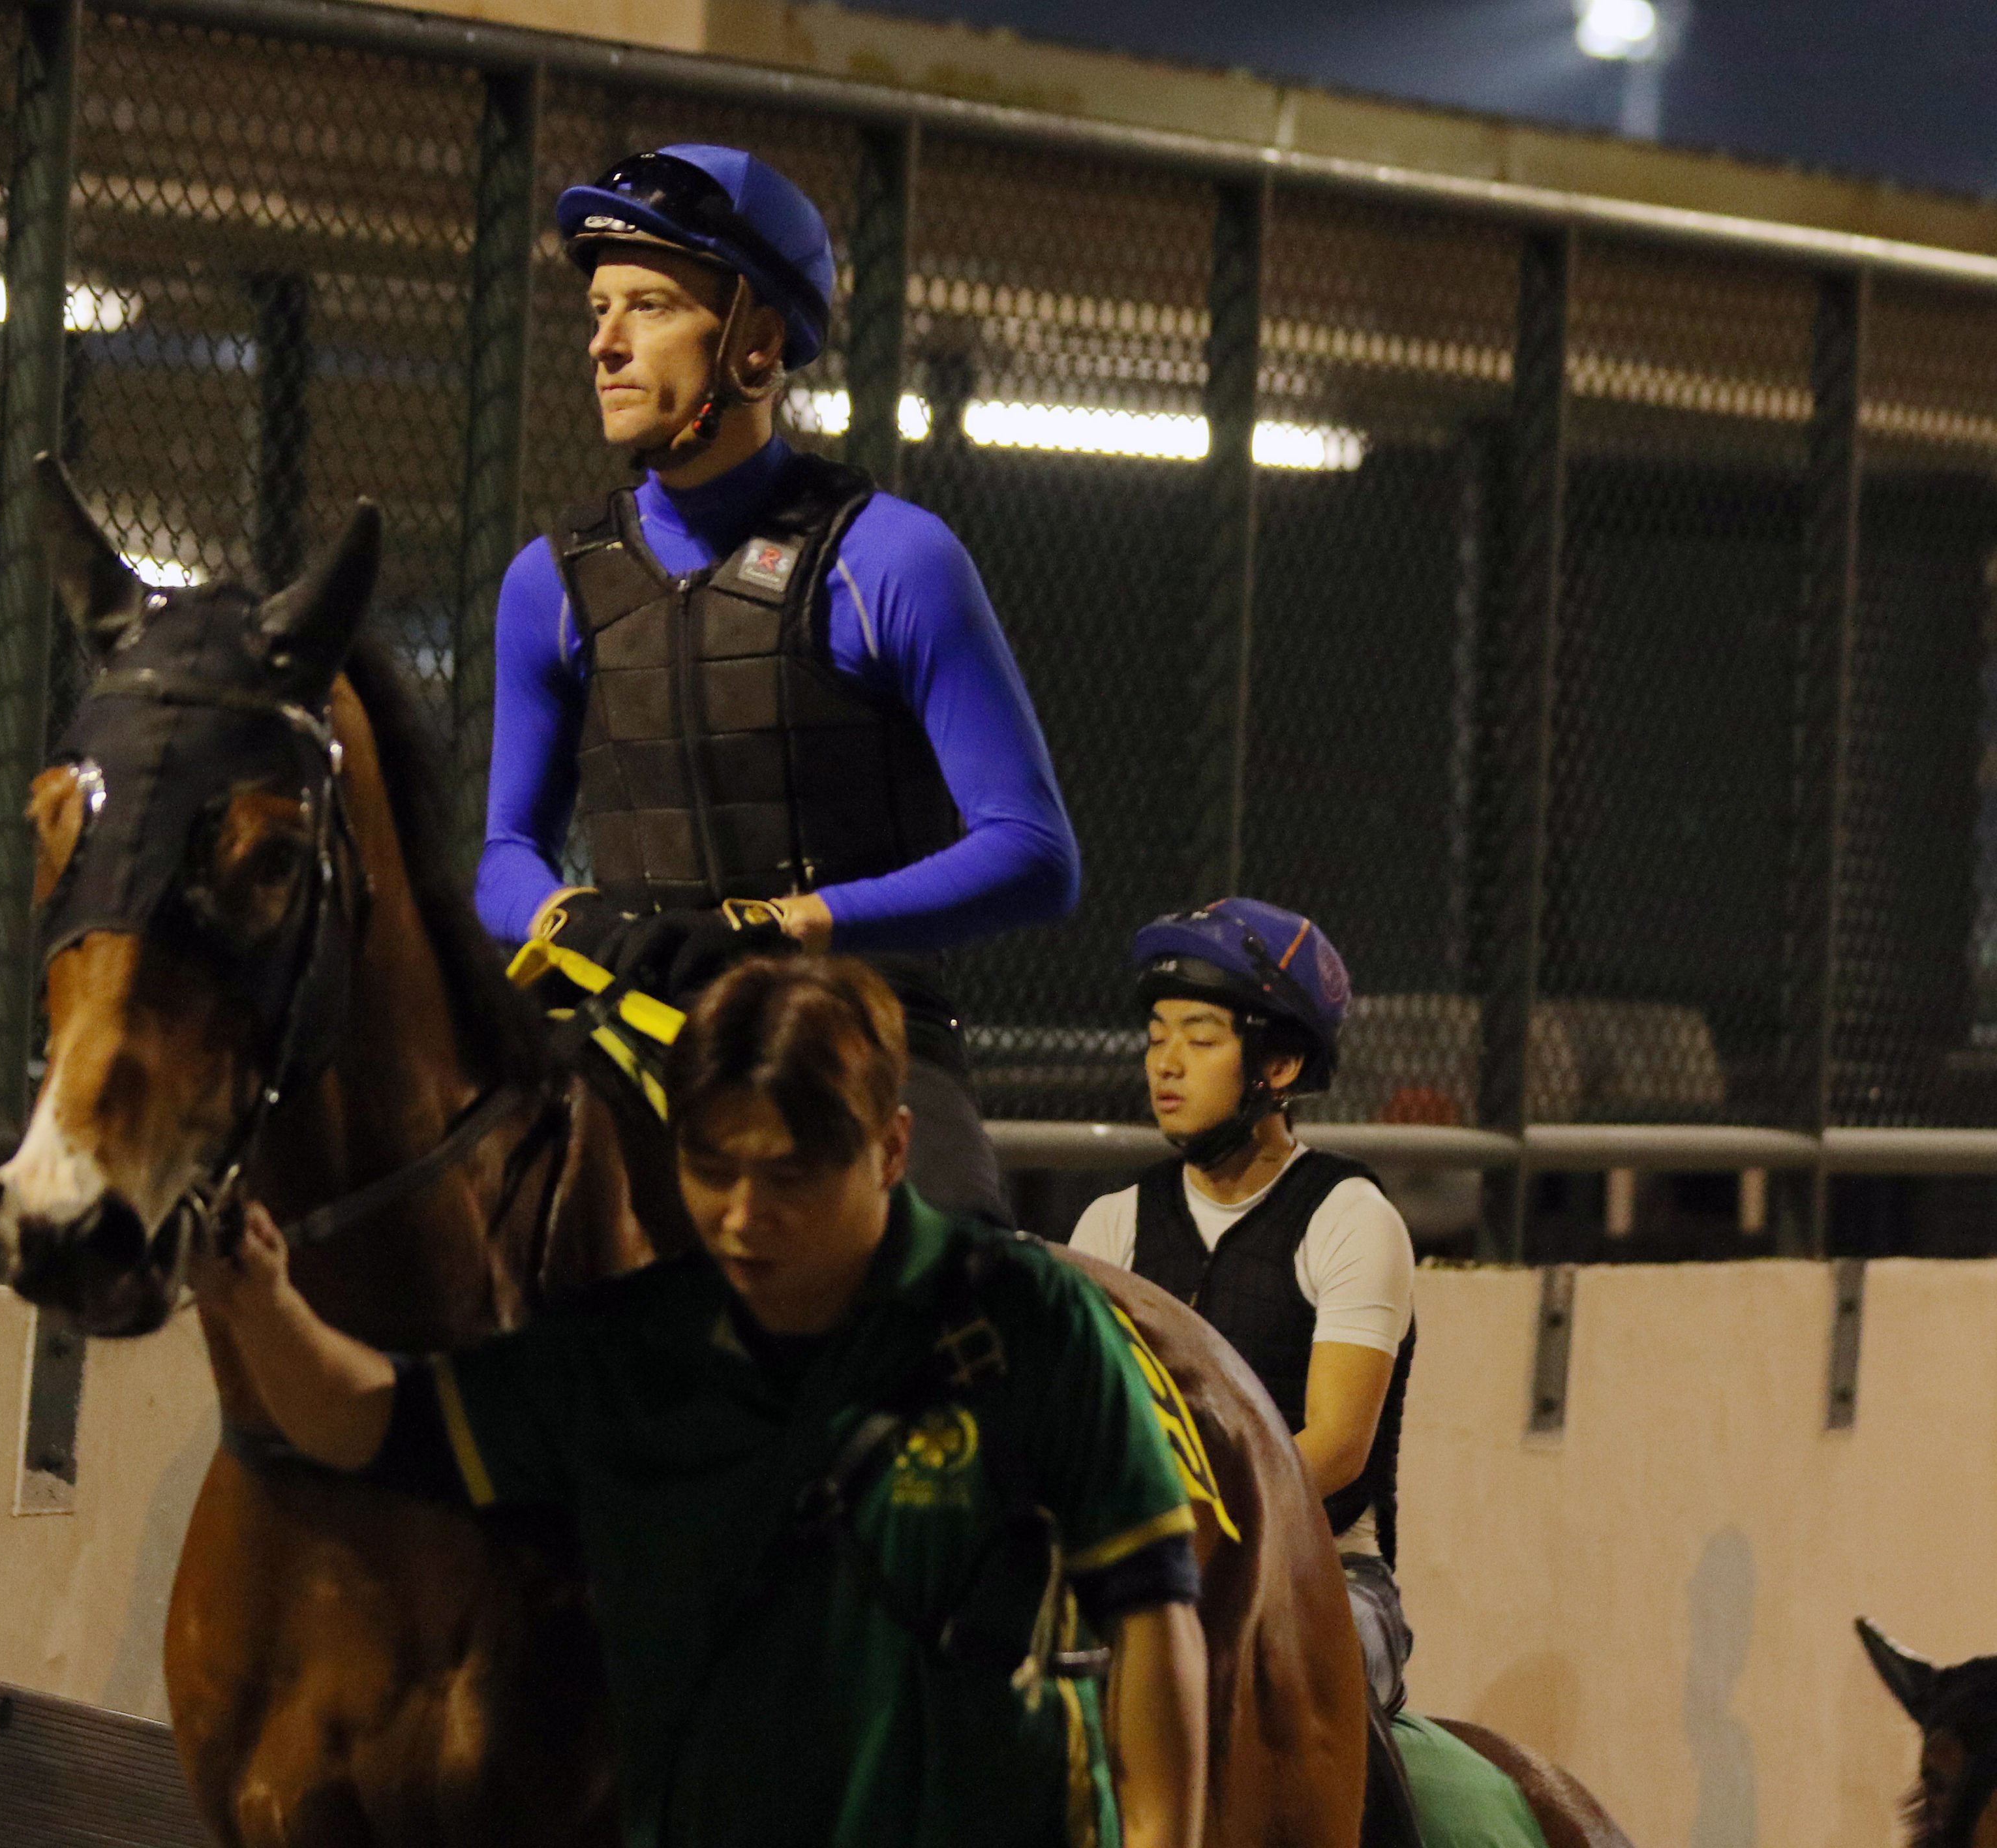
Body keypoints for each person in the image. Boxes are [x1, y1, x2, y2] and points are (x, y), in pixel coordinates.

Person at [209, 955, 1208, 1848]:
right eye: (710, 1169)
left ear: (891, 1151)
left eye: (788, 1176)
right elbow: (363, 1419)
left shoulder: (1029, 1322)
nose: (741, 1216)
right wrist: (263, 1307)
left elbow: (1152, 1610)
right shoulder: (629, 1351)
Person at [478, 141, 1080, 1225]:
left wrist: (784, 926)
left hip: (856, 1030)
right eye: (597, 311)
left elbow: (1036, 856)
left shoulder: (895, 559)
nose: (604, 346)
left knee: (968, 1283)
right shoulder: (548, 583)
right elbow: (501, 860)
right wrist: (570, 919)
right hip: (632, 1028)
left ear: (757, 343)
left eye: (649, 306)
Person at [1065, 898, 1417, 1717]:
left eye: (1200, 1037)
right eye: (1156, 1038)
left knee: (1257, 1693)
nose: (1166, 1064)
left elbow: (1336, 1444)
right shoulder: (1111, 1222)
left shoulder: (1352, 1217)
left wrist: (1186, 1529)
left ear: (1280, 1067)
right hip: (1140, 1567)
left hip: (1328, 1575)